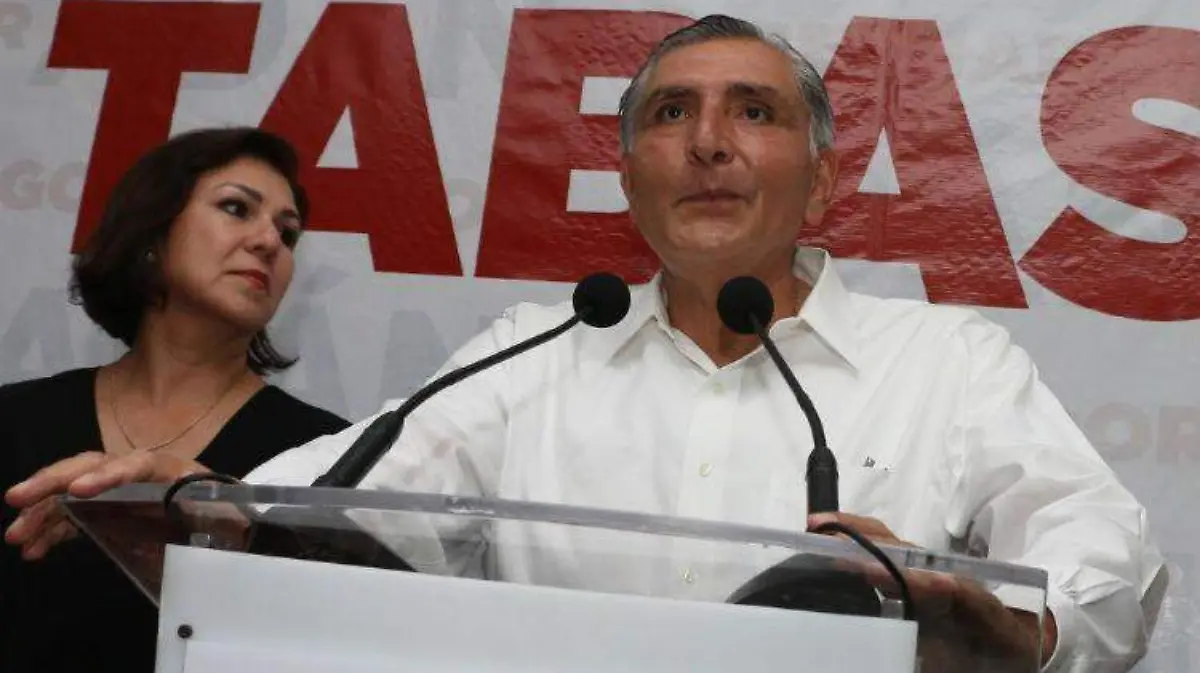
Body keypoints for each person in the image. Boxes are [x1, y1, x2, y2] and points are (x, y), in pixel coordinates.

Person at [6, 16, 1164, 673]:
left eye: (753, 112)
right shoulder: (534, 351)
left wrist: (1015, 618)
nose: (708, 142)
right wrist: (206, 501)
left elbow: (1103, 550)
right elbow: (338, 498)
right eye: (670, 113)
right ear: (631, 178)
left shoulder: (948, 360)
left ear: (820, 185)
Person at [0, 127, 351, 672]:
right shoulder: (15, 419)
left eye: (288, 234)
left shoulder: (326, 454)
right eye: (236, 208)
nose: (269, 242)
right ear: (153, 233)